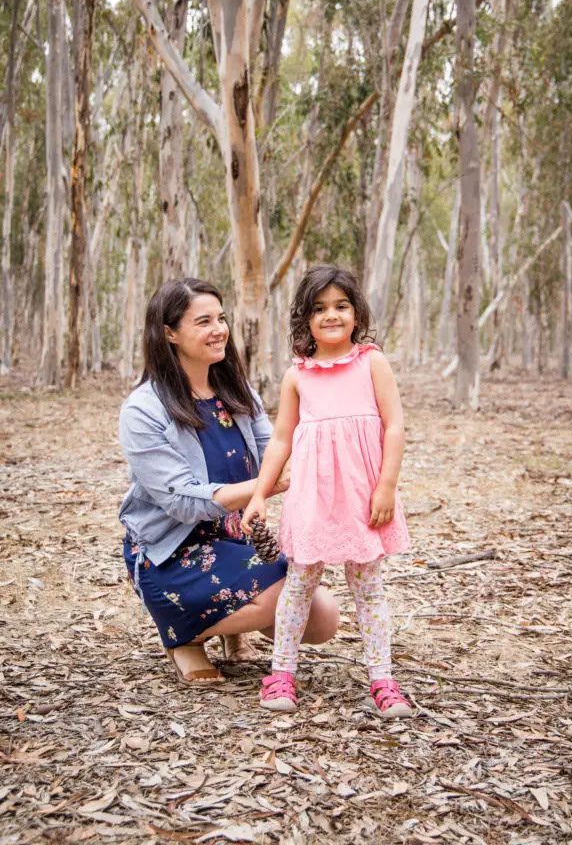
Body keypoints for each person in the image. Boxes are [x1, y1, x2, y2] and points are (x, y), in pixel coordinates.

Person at [118, 278, 339, 688]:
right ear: (168, 333)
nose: (219, 329)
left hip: (235, 538)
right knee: (282, 599)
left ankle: (229, 632)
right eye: (203, 321)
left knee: (323, 618)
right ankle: (184, 638)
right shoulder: (143, 410)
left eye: (221, 318)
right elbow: (184, 501)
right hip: (171, 553)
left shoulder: (237, 393)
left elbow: (276, 447)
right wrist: (266, 486)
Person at [241, 264, 413, 717]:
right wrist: (259, 493)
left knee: (369, 588)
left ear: (356, 313)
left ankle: (383, 679)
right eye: (319, 308)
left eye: (341, 306)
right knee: (299, 584)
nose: (331, 315)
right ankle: (281, 674)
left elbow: (394, 426)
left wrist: (387, 488)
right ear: (305, 318)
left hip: (363, 495)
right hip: (312, 499)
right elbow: (281, 439)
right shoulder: (298, 376)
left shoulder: (371, 362)